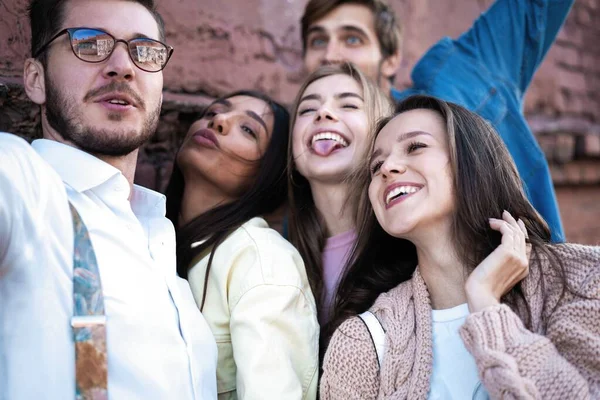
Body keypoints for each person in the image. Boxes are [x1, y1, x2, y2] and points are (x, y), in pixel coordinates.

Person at [0, 0, 218, 398]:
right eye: (89, 42)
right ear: (35, 78)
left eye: (144, 51)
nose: (123, 66)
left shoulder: (161, 239)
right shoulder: (25, 186)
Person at [320, 95, 600, 399]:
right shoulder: (362, 342)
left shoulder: (583, 279)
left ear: (471, 162)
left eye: (415, 147)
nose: (387, 167)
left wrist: (485, 302)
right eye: (376, 165)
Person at [300, 0, 572, 243]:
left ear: (391, 59)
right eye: (318, 41)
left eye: (352, 39)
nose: (331, 55)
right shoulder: (307, 155)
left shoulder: (462, 80)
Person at [165, 91, 319, 399]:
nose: (219, 121)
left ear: (270, 175)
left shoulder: (261, 258)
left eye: (248, 130)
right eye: (212, 113)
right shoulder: (148, 236)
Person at [288, 63, 392, 331]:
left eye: (349, 105)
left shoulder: (409, 249)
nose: (323, 112)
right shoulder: (281, 256)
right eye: (308, 109)